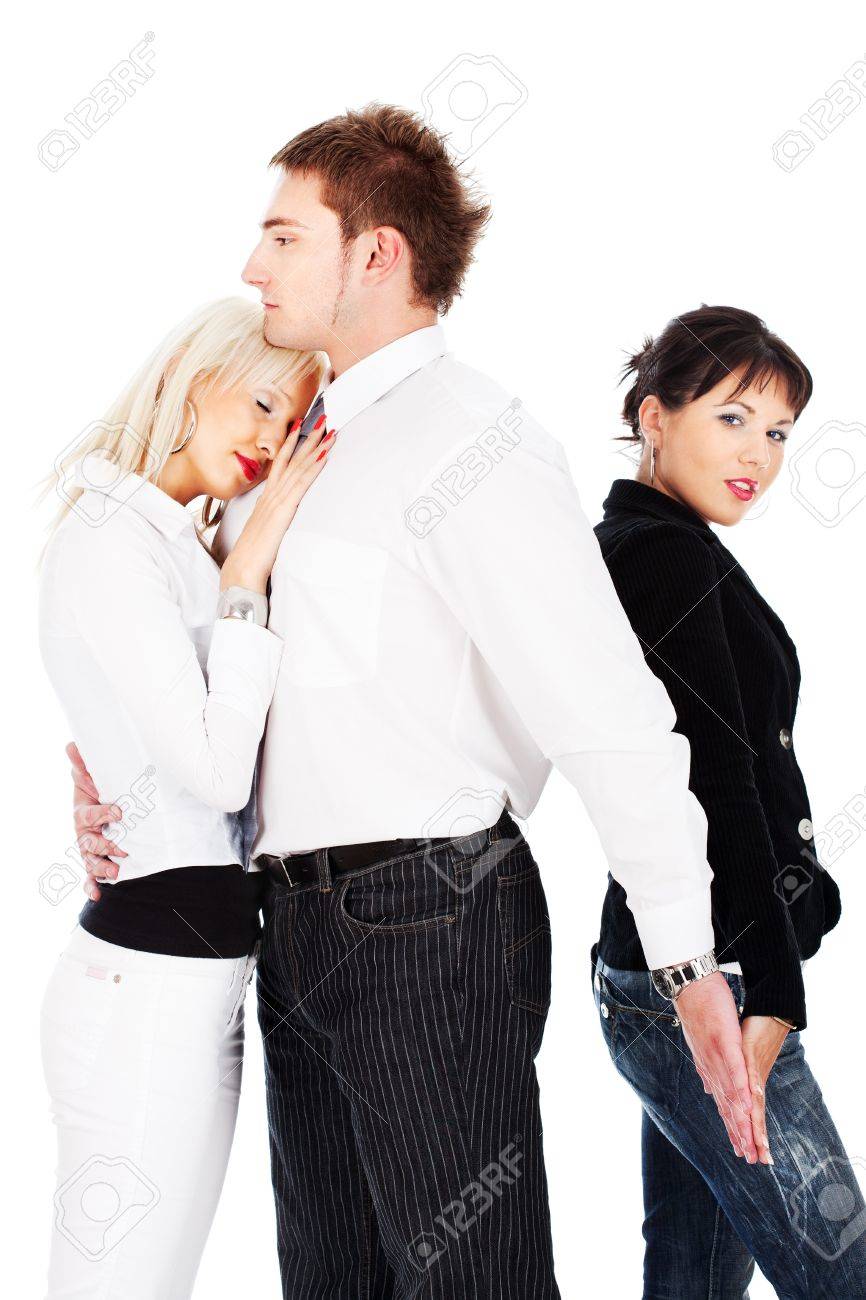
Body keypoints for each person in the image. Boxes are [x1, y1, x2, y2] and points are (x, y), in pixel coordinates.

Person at [71, 106, 756, 1299]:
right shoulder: (285, 444)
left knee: (471, 1282)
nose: (251, 266)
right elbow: (207, 674)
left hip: (430, 919)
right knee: (329, 1280)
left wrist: (685, 957)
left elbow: (608, 715)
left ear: (376, 254)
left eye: (285, 237)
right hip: (285, 924)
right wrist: (121, 791)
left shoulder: (474, 442)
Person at [37, 296, 328, 1297]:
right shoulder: (111, 538)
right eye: (261, 403)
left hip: (194, 980)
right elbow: (213, 772)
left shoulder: (169, 543)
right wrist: (246, 579)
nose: (270, 442)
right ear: (187, 378)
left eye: (291, 422)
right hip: (146, 993)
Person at [589, 304, 865, 1298]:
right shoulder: (658, 555)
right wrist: (776, 991)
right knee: (840, 1273)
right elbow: (718, 776)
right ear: (654, 416)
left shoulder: (663, 542)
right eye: (733, 418)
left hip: (671, 969)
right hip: (710, 981)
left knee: (691, 1280)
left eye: (779, 431)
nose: (759, 454)